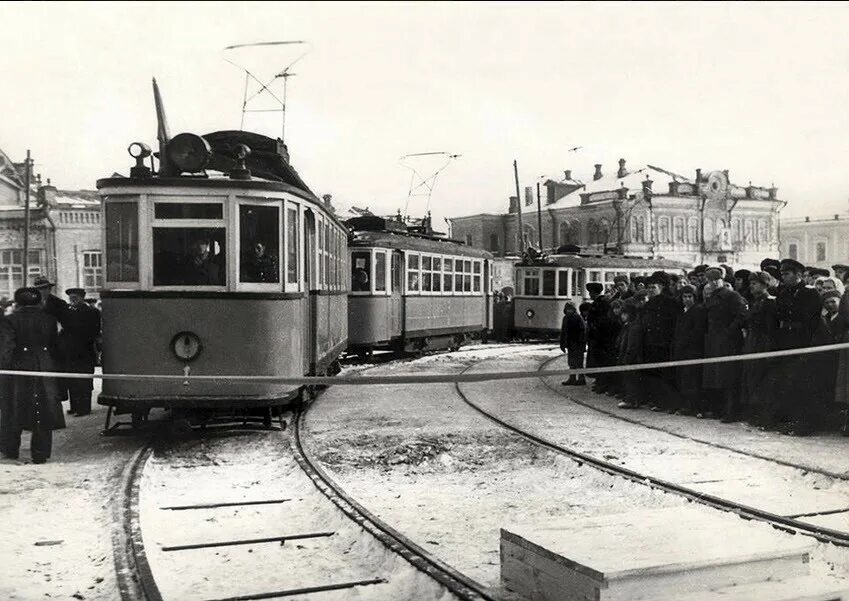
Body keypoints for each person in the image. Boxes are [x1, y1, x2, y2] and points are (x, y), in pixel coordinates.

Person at [1, 288, 63, 464]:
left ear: (18, 302)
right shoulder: (49, 320)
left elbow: (6, 349)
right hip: (44, 367)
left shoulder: (9, 320)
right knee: (43, 408)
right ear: (38, 302)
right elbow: (55, 347)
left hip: (18, 368)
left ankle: (11, 449)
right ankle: (40, 452)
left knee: (13, 407)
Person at [774, 258, 824, 435]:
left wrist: (807, 347)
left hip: (802, 341)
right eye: (782, 274)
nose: (783, 277)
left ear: (798, 275)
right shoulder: (784, 292)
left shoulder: (809, 293)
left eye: (787, 274)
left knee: (802, 383)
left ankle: (804, 424)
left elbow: (812, 322)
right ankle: (789, 420)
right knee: (787, 382)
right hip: (785, 340)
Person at [701, 266, 747, 422]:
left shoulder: (732, 295)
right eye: (710, 280)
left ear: (721, 280)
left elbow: (741, 316)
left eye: (715, 280)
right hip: (714, 342)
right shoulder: (711, 297)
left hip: (728, 343)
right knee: (717, 377)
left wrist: (729, 333)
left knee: (729, 377)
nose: (712, 283)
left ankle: (731, 412)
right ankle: (720, 410)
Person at [742, 272, 779, 429]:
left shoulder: (770, 302)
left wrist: (768, 349)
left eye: (755, 283)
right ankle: (756, 414)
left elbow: (771, 328)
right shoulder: (755, 302)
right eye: (750, 283)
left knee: (763, 379)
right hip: (752, 342)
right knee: (752, 377)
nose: (751, 286)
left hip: (763, 344)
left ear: (765, 285)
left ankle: (766, 417)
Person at [640, 273, 681, 412]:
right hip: (651, 342)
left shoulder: (672, 303)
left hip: (665, 343)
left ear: (662, 287)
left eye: (653, 287)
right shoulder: (648, 304)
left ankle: (670, 403)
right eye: (649, 287)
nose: (650, 290)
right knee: (654, 374)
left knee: (666, 375)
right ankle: (658, 401)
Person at [58, 288, 101, 417]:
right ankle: (74, 406)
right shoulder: (68, 312)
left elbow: (94, 330)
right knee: (72, 380)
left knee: (84, 381)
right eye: (71, 298)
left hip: (84, 351)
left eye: (75, 297)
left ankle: (84, 408)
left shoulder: (91, 312)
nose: (72, 300)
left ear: (82, 297)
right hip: (71, 352)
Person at [671, 285, 707, 416]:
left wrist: (685, 343)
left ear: (695, 297)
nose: (687, 300)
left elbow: (697, 332)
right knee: (684, 379)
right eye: (684, 297)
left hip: (693, 350)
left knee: (693, 380)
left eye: (690, 297)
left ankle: (694, 407)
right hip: (682, 350)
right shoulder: (683, 312)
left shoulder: (698, 310)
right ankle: (686, 406)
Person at [585, 283, 616, 393]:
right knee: (596, 360)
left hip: (600, 337)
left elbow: (602, 320)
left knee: (600, 361)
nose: (590, 294)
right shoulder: (599, 302)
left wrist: (594, 326)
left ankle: (602, 384)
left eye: (591, 292)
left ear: (595, 292)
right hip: (596, 337)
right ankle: (599, 382)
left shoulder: (602, 303)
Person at [616, 303, 644, 409]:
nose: (622, 316)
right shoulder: (629, 325)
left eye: (624, 314)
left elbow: (632, 345)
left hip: (632, 360)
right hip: (629, 358)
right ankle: (630, 399)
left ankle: (631, 400)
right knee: (629, 380)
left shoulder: (634, 327)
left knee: (631, 380)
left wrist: (627, 358)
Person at [560, 302, 587, 386]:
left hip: (577, 343)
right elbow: (563, 332)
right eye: (567, 309)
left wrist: (582, 342)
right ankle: (572, 378)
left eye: (570, 309)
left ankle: (581, 378)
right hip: (570, 344)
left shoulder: (578, 318)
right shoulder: (565, 318)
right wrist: (562, 344)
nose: (569, 311)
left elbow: (583, 331)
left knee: (578, 362)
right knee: (571, 362)